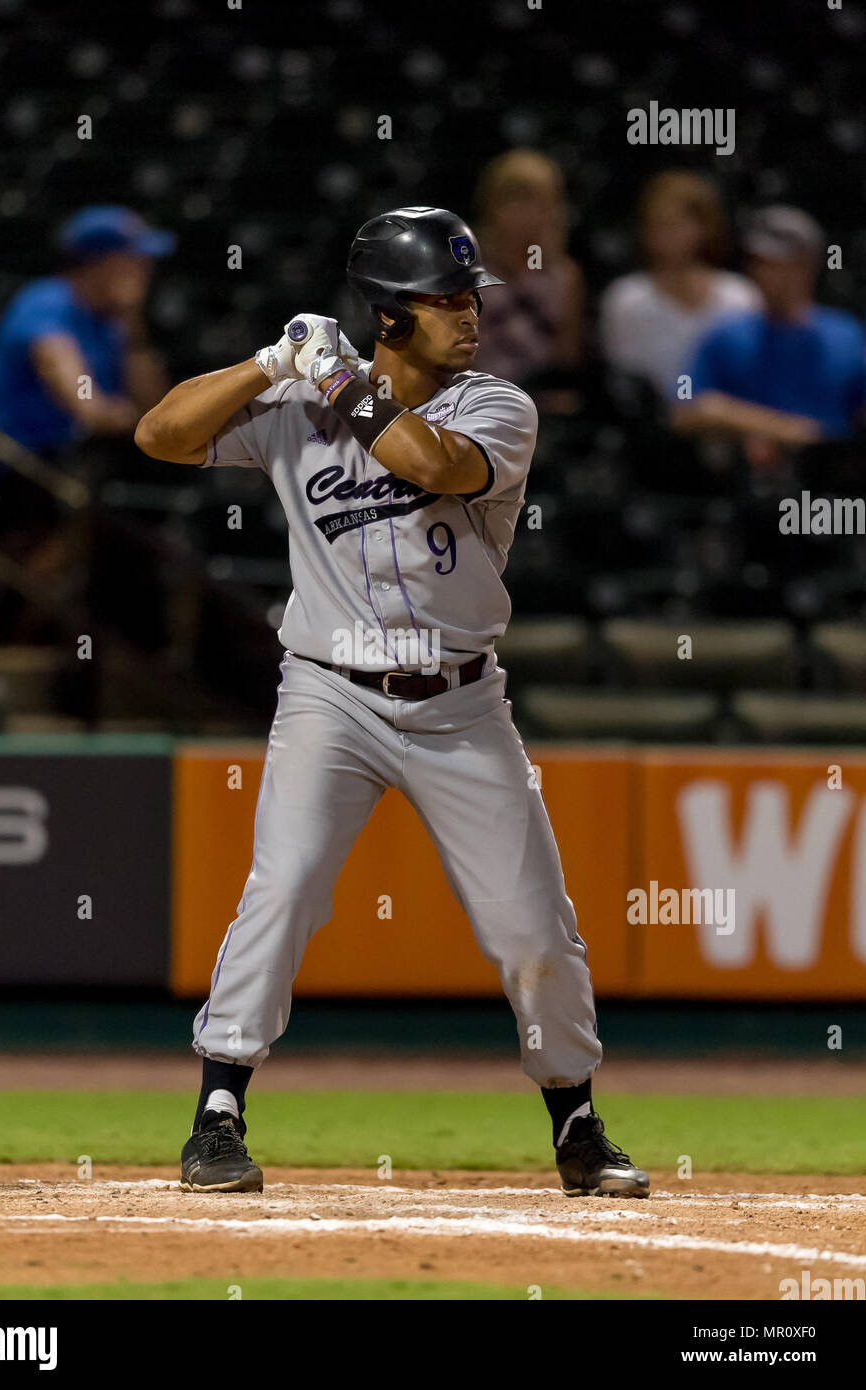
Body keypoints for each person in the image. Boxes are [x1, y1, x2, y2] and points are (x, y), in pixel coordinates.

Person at [136, 206, 649, 1200]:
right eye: (444, 300)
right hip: (330, 696)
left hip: (461, 701)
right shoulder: (296, 407)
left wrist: (339, 384)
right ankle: (218, 1112)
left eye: (469, 296)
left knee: (533, 924)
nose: (469, 314)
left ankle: (577, 1121)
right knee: (283, 888)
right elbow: (159, 433)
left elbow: (429, 465)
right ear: (387, 316)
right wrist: (268, 363)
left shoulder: (496, 406)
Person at [672, 205, 866, 461]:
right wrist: (784, 430)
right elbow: (684, 408)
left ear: (808, 265)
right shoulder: (725, 335)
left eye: (777, 263)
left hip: (831, 484)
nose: (762, 273)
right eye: (757, 262)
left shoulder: (846, 335)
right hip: (746, 482)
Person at [0, 205, 174, 454]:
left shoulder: (112, 320)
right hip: (23, 468)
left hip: (76, 461)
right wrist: (111, 414)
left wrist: (132, 321)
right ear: (101, 263)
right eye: (135, 259)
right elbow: (84, 404)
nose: (146, 269)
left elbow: (154, 408)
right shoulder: (46, 301)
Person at [599, 171, 760, 402]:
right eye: (657, 225)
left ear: (704, 228)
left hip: (732, 421)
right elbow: (624, 381)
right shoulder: (625, 299)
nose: (666, 235)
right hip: (649, 427)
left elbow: (749, 374)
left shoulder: (740, 296)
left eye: (677, 224)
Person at [470, 150, 585, 398]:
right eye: (514, 200)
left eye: (537, 202)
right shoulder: (466, 271)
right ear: (491, 204)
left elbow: (566, 359)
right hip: (479, 399)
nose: (525, 213)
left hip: (543, 403)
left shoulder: (565, 275)